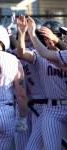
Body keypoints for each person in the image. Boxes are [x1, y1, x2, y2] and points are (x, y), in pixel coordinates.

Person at [17, 15, 67, 150]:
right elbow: (21, 53)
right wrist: (22, 34)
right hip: (51, 108)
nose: (48, 40)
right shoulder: (39, 55)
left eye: (51, 36)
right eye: (44, 38)